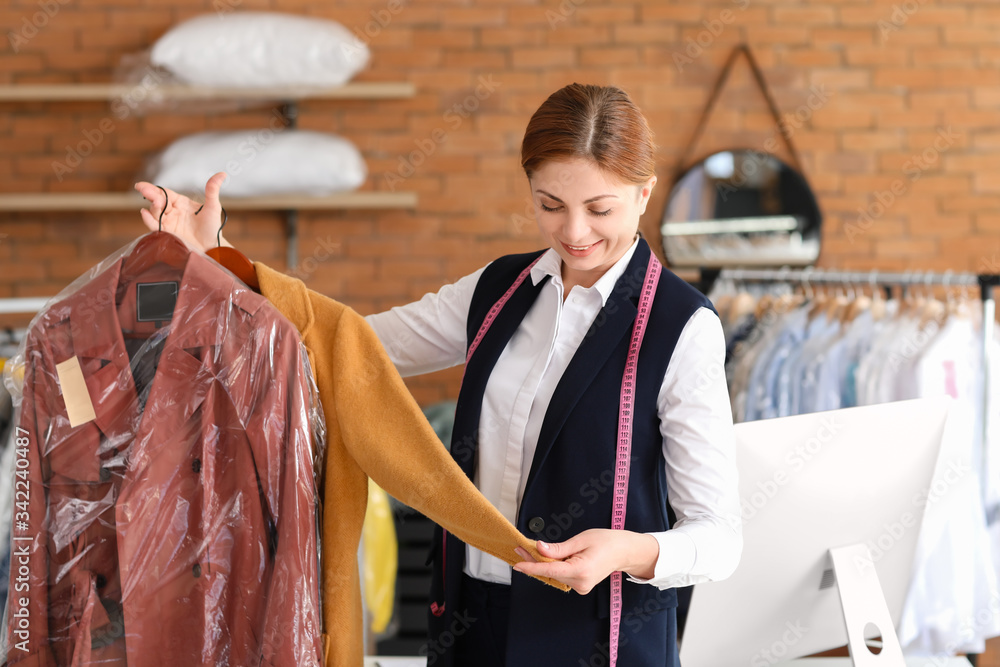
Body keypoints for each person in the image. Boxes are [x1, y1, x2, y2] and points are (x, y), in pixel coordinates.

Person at [136, 82, 741, 667]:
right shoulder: (499, 290)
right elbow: (342, 344)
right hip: (468, 621)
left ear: (644, 194)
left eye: (599, 208)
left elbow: (719, 537)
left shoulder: (682, 327)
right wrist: (215, 258)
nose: (574, 232)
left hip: (596, 637)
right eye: (550, 205)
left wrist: (629, 550)